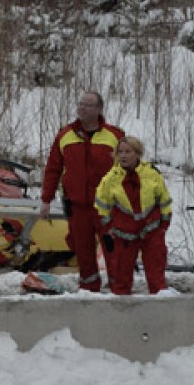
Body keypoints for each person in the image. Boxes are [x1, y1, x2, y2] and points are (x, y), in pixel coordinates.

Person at [40, 91, 124, 292]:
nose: (81, 108)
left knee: (115, 250)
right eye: (80, 104)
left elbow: (127, 169)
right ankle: (88, 291)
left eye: (87, 104)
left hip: (107, 208)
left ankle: (119, 290)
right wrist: (46, 199)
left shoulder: (115, 136)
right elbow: (53, 169)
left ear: (98, 109)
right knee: (83, 253)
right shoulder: (65, 135)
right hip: (78, 207)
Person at [94, 136, 173, 295]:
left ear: (137, 154)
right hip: (124, 235)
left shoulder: (151, 174)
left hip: (152, 230)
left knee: (156, 276)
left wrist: (163, 226)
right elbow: (102, 206)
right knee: (120, 278)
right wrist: (109, 227)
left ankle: (161, 309)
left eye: (128, 152)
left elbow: (164, 200)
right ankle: (121, 313)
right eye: (120, 152)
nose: (123, 155)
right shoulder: (110, 179)